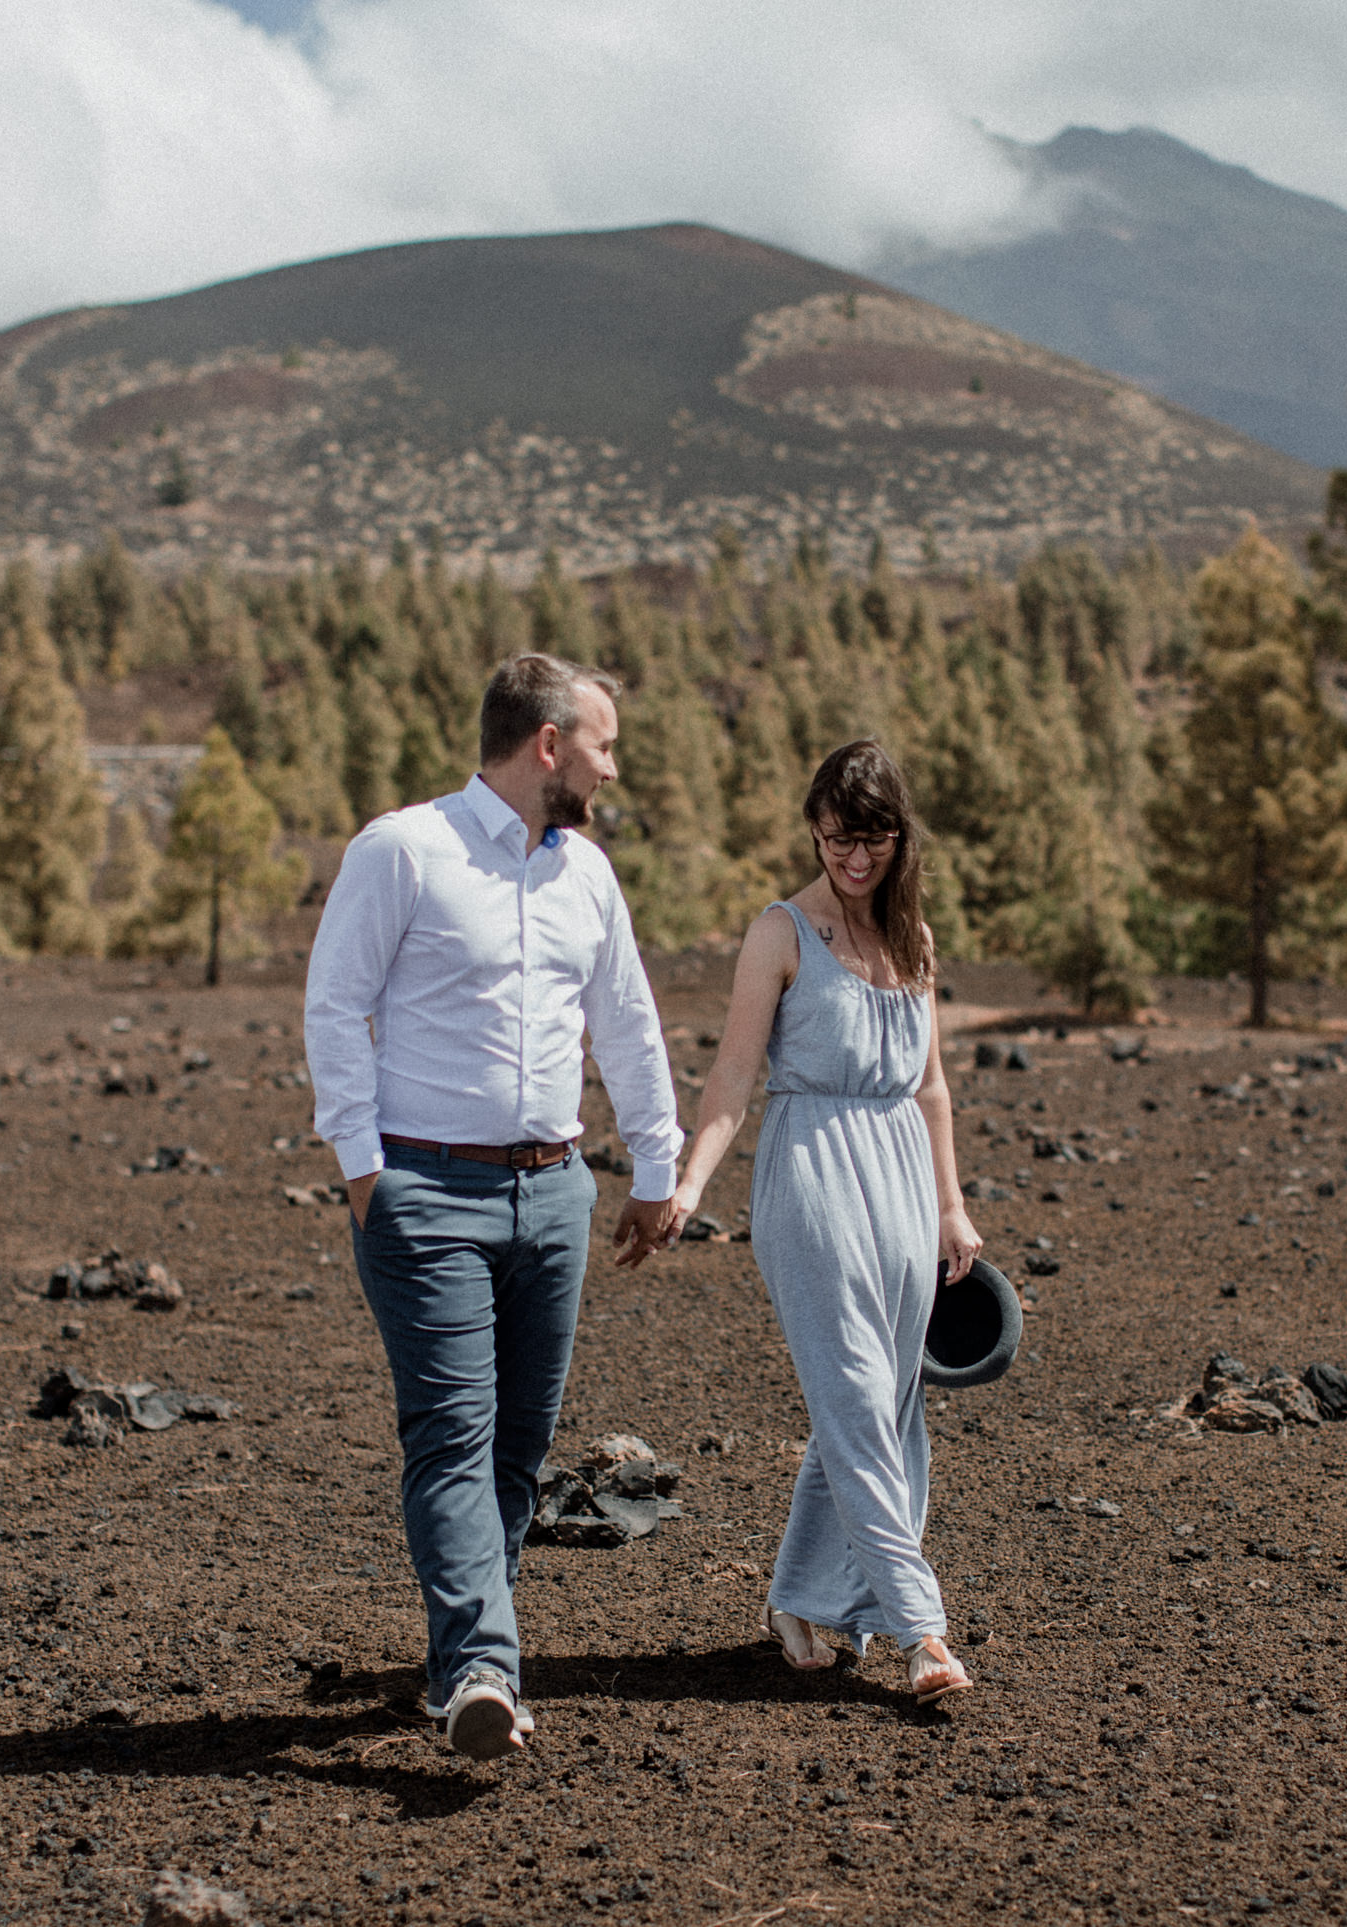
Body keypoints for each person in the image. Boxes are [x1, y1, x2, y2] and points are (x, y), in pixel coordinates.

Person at [304, 651, 686, 1759]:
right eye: (605, 746)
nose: (614, 770)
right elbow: (335, 1006)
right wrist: (365, 1170)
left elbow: (627, 1023)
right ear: (550, 744)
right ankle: (481, 1663)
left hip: (553, 1194)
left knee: (517, 1448)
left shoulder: (588, 877)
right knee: (453, 1436)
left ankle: (465, 1643)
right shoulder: (402, 850)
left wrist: (651, 1172)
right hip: (425, 1192)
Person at [661, 738, 981, 1699]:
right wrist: (688, 1184)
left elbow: (929, 1089)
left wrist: (951, 1209)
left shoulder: (914, 940)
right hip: (810, 1177)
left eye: (874, 837)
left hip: (898, 1183)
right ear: (813, 828)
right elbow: (733, 1072)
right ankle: (920, 1629)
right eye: (839, 837)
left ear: (898, 837)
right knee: (851, 1399)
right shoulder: (781, 933)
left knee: (881, 1404)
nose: (855, 857)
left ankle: (799, 1596)